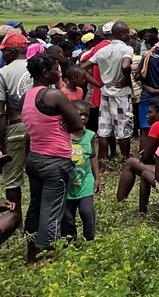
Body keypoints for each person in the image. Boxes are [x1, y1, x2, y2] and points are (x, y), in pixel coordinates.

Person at [21, 52, 86, 264]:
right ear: (45, 73)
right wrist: (68, 121)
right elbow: (77, 124)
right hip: (55, 160)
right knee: (52, 212)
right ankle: (45, 259)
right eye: (56, 70)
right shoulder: (54, 96)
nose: (60, 72)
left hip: (35, 158)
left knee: (35, 208)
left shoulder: (27, 96)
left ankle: (31, 257)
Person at [0, 33, 32, 214]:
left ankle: (16, 221)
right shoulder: (40, 66)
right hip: (40, 127)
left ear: (13, 51)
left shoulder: (3, 72)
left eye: (5, 51)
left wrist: (0, 143)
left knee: (13, 179)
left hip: (16, 125)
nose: (2, 55)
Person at [82, 21, 135, 161]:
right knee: (123, 129)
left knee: (104, 129)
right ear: (122, 34)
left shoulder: (102, 50)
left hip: (105, 91)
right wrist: (127, 79)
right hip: (121, 93)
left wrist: (98, 84)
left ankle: (104, 161)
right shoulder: (126, 49)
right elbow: (125, 65)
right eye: (128, 33)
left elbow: (83, 67)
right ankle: (124, 161)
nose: (129, 36)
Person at [116, 97, 159, 214]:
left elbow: (146, 158)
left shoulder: (157, 126)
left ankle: (119, 203)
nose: (147, 116)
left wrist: (148, 154)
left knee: (130, 163)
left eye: (150, 112)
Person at [60, 100, 102, 242]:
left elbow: (93, 156)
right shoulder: (62, 135)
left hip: (85, 181)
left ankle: (90, 240)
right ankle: (69, 242)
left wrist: (97, 178)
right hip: (67, 185)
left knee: (87, 211)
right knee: (67, 216)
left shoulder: (89, 135)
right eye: (80, 114)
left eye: (86, 115)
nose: (83, 118)